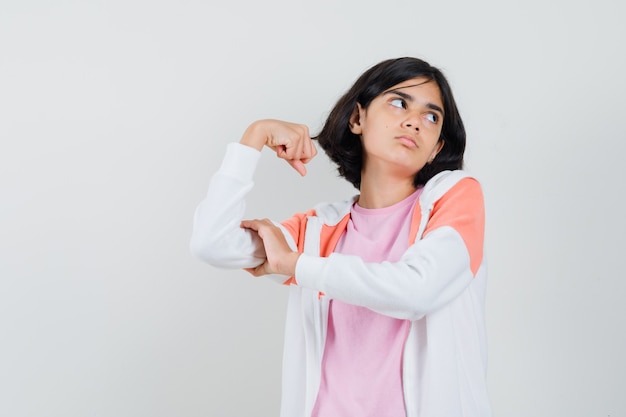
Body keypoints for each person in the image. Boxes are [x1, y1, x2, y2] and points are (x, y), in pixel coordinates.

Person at [190, 57, 492, 417]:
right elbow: (212, 244)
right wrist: (254, 136)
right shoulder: (320, 228)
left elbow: (418, 291)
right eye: (399, 102)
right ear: (357, 119)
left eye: (432, 117)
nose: (414, 121)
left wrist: (298, 265)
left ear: (438, 147)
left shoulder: (454, 197)